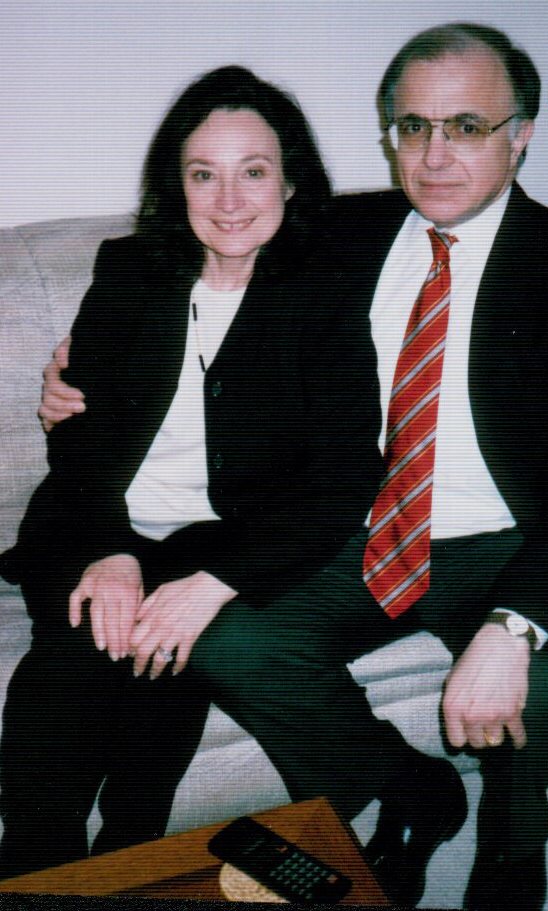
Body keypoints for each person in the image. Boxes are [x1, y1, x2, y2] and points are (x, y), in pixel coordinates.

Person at [38, 23, 548, 911]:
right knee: (225, 640)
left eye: (467, 126)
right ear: (390, 135)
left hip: (512, 543)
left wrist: (513, 627)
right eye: (414, 126)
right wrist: (79, 381)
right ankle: (411, 789)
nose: (435, 156)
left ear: (521, 135)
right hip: (360, 531)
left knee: (538, 685)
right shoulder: (336, 232)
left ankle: (515, 832)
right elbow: (187, 288)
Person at [0, 65, 382, 878]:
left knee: (168, 650)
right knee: (78, 650)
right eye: (204, 174)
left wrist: (217, 580)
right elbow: (79, 437)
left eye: (255, 171)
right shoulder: (130, 270)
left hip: (217, 536)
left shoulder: (325, 295)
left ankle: (128, 854)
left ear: (291, 181)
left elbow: (344, 477)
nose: (230, 199)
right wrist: (109, 550)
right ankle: (34, 861)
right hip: (91, 516)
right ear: (177, 186)